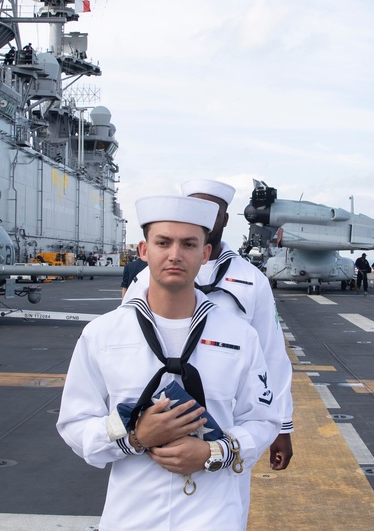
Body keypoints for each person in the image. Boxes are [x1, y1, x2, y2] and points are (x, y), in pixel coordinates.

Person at [57, 196, 280, 530]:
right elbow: (74, 424)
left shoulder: (239, 336)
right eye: (163, 242)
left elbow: (263, 420)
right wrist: (133, 436)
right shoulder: (102, 334)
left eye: (189, 244)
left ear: (204, 254)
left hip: (214, 516)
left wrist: (213, 453)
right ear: (144, 250)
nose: (175, 255)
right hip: (131, 517)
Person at [122, 180, 294, 527]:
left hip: (225, 415)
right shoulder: (148, 277)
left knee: (226, 502)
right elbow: (127, 339)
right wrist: (134, 432)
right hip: (155, 413)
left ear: (225, 219)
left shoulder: (251, 280)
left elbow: (272, 352)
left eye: (213, 210)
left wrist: (282, 425)